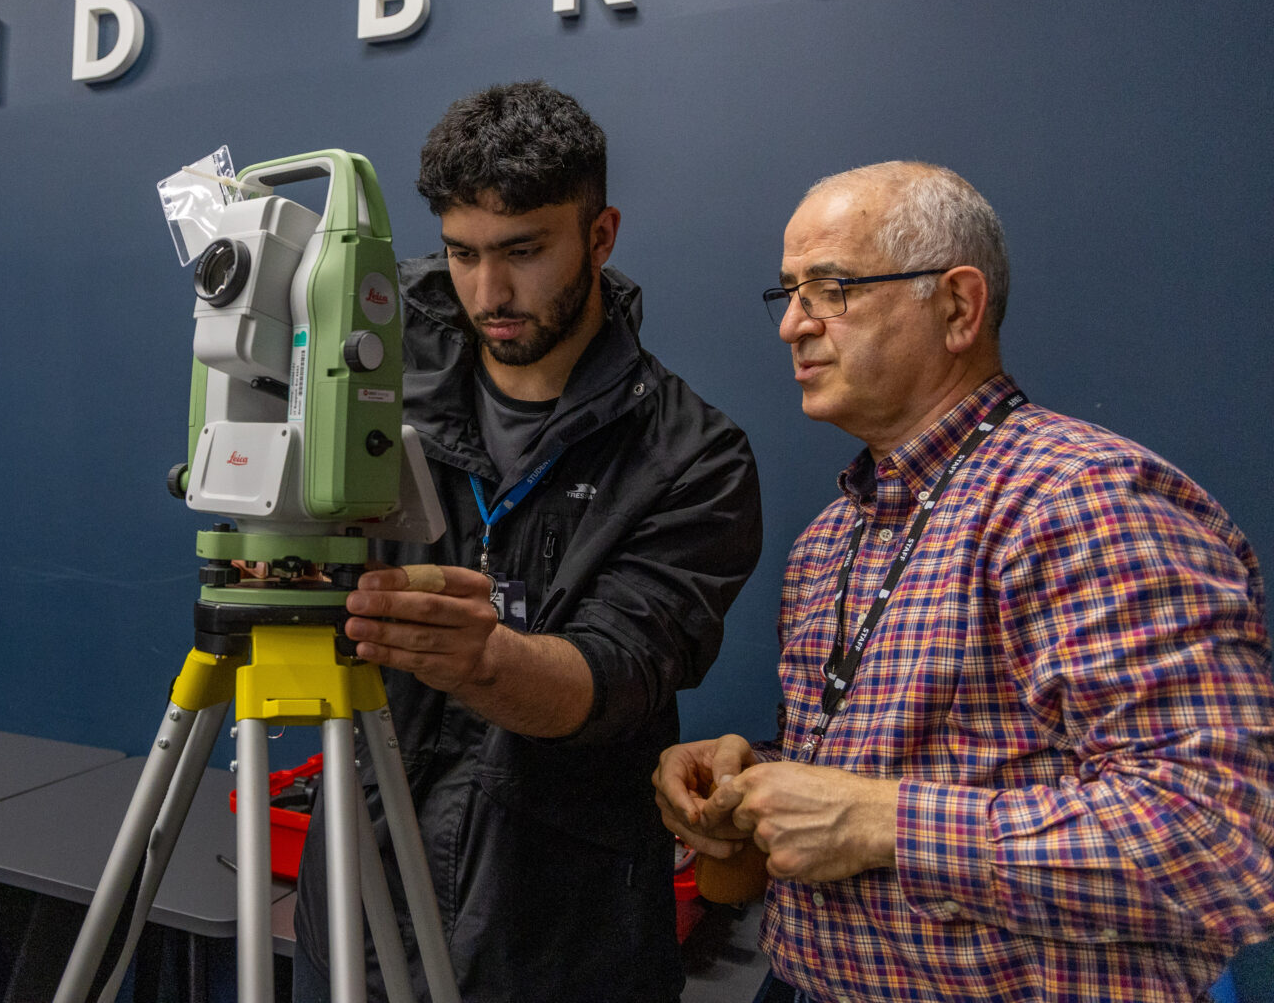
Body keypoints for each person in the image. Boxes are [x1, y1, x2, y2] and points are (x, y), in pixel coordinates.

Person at [654, 162, 1274, 1003]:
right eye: (789, 292)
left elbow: (1219, 840)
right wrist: (751, 787)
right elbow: (875, 779)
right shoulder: (831, 540)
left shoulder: (1085, 501)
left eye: (830, 288)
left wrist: (883, 822)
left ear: (956, 307)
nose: (792, 325)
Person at [293, 80, 764, 1002]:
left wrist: (484, 659)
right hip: (354, 911)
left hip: (556, 942)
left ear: (599, 235)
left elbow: (618, 674)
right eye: (462, 254)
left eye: (522, 251)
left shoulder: (694, 457)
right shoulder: (372, 374)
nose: (489, 291)